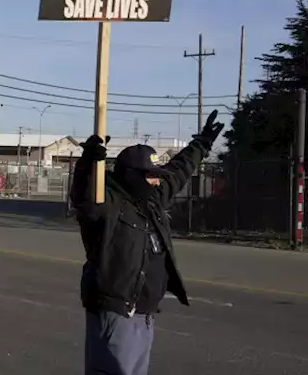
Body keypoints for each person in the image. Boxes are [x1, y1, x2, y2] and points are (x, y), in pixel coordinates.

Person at [70, 109, 225, 375]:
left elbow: (178, 170)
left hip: (143, 313)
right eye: (150, 175)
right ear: (131, 175)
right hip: (117, 313)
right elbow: (83, 197)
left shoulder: (151, 199)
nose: (156, 180)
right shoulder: (107, 203)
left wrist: (202, 144)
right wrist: (87, 164)